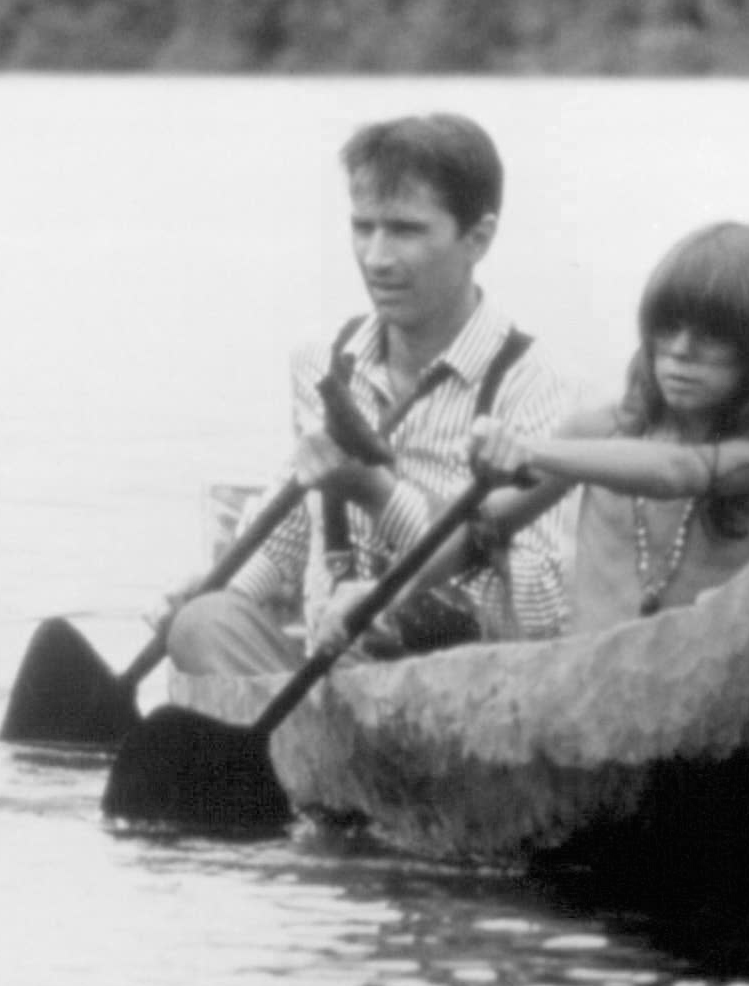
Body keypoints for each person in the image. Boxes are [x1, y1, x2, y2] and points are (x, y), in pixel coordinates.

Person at [163, 113, 568, 676]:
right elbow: (294, 517)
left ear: (478, 238)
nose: (376, 258)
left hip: (458, 675)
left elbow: (544, 608)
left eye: (405, 230)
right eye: (363, 227)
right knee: (202, 621)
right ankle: (277, 736)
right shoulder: (325, 360)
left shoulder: (531, 382)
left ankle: (267, 747)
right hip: (325, 665)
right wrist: (222, 588)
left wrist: (380, 496)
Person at [390, 221, 749, 636]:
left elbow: (679, 471)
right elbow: (484, 529)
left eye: (713, 334)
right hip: (591, 690)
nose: (680, 350)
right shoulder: (598, 431)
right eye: (669, 326)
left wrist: (531, 452)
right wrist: (387, 593)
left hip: (716, 695)